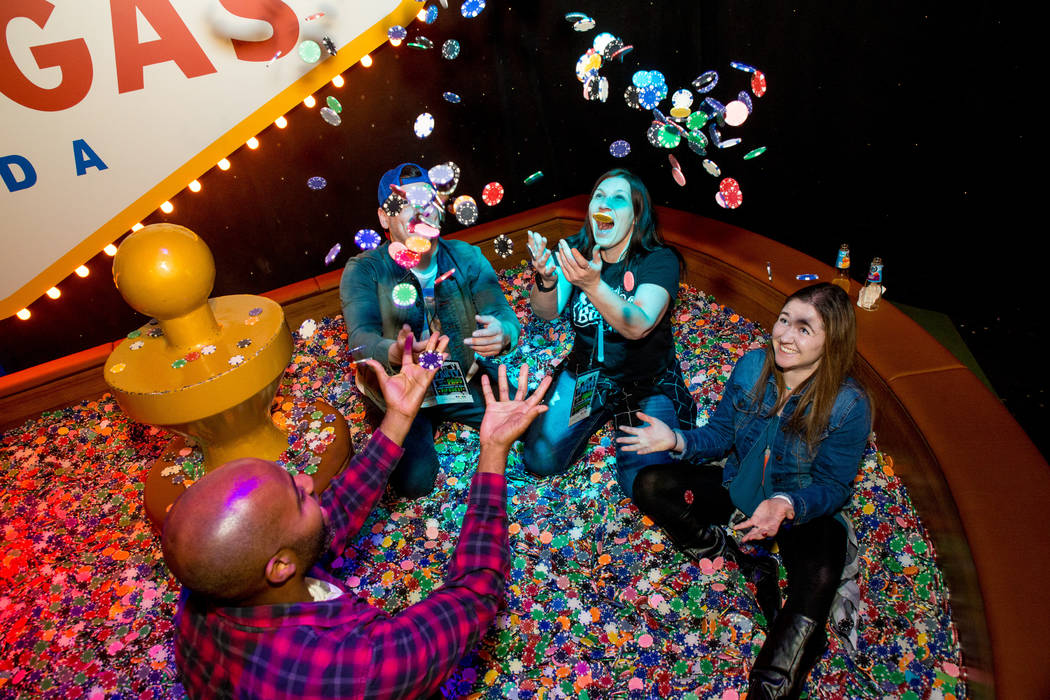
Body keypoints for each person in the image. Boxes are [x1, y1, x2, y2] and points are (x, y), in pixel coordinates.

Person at [162, 331, 553, 699]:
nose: (307, 481)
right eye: (298, 498)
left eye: (290, 477)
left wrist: (398, 417)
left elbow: (333, 513)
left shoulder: (215, 581)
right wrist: (493, 449)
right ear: (280, 567)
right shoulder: (358, 669)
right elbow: (475, 591)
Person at [618, 283, 872, 700]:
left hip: (799, 509)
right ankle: (732, 556)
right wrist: (677, 441)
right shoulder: (754, 366)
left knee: (823, 568)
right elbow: (720, 435)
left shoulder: (848, 404)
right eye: (784, 320)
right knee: (649, 483)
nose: (785, 335)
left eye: (804, 329)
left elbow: (834, 486)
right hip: (736, 487)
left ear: (833, 341)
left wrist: (787, 504)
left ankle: (769, 689)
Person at [340, 162, 521, 498]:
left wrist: (504, 331)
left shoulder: (467, 256)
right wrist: (395, 352)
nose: (419, 210)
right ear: (384, 218)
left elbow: (500, 311)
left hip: (463, 378)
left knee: (529, 427)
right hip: (402, 393)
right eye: (405, 202)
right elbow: (361, 340)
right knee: (414, 482)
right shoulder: (364, 270)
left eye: (427, 200)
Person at [520, 168, 695, 498]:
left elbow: (638, 324)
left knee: (644, 485)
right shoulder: (574, 250)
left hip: (645, 382)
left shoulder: (659, 259)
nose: (605, 203)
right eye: (599, 196)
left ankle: (622, 418)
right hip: (587, 374)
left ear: (635, 216)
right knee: (539, 459)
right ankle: (593, 415)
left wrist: (593, 285)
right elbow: (546, 311)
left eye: (618, 198)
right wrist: (546, 280)